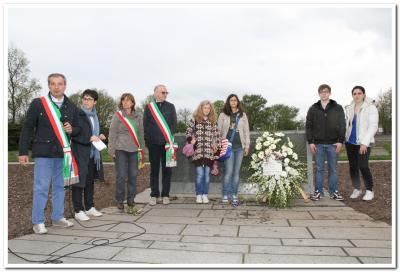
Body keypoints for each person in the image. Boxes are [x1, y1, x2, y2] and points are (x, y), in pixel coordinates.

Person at [18, 73, 77, 234]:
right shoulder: (38, 104)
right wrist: (23, 151)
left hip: (62, 154)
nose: (56, 87)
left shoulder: (71, 106)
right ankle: (38, 221)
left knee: (60, 187)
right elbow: (28, 127)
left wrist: (73, 129)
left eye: (59, 84)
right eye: (53, 84)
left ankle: (57, 217)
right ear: (49, 86)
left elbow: (80, 128)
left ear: (65, 86)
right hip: (43, 152)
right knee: (41, 187)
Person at [306, 84, 346, 201]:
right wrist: (311, 142)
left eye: (326, 91)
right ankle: (318, 192)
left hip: (333, 144)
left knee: (333, 169)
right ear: (319, 93)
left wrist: (340, 141)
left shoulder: (337, 107)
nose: (324, 93)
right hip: (318, 144)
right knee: (319, 169)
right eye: (322, 92)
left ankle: (334, 192)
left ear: (330, 93)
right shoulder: (313, 108)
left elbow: (342, 126)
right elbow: (308, 126)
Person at [71, 89, 105, 221]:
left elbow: (94, 133)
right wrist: (89, 138)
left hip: (92, 154)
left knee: (90, 181)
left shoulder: (95, 116)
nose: (86, 101)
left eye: (89, 99)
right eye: (85, 99)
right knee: (79, 182)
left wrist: (100, 136)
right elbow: (74, 134)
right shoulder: (77, 114)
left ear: (95, 102)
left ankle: (89, 207)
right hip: (80, 153)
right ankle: (78, 210)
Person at [108, 93, 145, 211]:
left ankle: (131, 199)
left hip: (134, 150)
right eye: (123, 100)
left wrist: (142, 150)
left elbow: (141, 134)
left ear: (133, 103)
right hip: (120, 149)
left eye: (128, 100)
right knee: (121, 176)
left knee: (133, 176)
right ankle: (120, 200)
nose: (125, 102)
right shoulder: (117, 115)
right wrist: (111, 149)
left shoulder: (138, 116)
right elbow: (112, 133)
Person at [143, 84, 177, 206]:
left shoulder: (171, 107)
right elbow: (145, 125)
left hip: (167, 144)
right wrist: (148, 141)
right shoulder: (149, 107)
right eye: (163, 92)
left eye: (166, 93)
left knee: (167, 170)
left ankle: (165, 195)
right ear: (156, 93)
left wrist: (169, 139)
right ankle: (154, 194)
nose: (165, 94)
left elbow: (174, 124)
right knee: (154, 170)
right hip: (153, 144)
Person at [344, 86, 379, 201]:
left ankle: (369, 190)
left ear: (364, 94)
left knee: (363, 166)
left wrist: (365, 143)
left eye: (359, 93)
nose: (357, 95)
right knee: (353, 167)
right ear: (352, 95)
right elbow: (348, 125)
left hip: (364, 143)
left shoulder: (371, 107)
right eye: (354, 93)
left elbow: (373, 126)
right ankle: (357, 189)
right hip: (350, 143)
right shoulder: (349, 108)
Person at [217, 94, 250, 205]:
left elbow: (246, 131)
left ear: (238, 102)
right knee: (229, 172)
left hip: (240, 147)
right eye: (231, 100)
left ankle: (234, 194)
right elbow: (218, 130)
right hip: (228, 148)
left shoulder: (242, 115)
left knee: (236, 173)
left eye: (235, 100)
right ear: (228, 102)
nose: (233, 102)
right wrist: (218, 144)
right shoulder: (223, 114)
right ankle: (225, 194)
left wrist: (247, 146)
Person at [185, 100, 220, 204]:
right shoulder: (194, 119)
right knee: (200, 174)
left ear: (211, 109)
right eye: (205, 108)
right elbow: (188, 132)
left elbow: (217, 135)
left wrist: (216, 146)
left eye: (208, 108)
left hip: (209, 153)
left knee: (207, 175)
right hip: (198, 152)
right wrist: (191, 140)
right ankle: (198, 195)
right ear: (201, 108)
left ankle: (205, 194)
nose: (206, 110)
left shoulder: (213, 121)